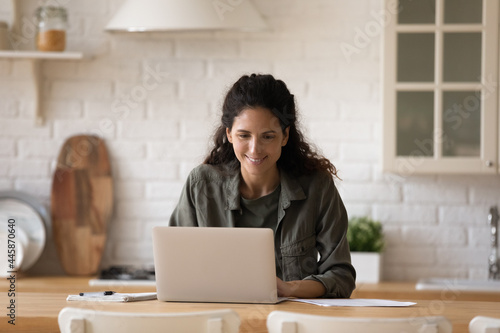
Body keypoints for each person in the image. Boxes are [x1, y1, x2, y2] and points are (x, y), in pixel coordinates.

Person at [169, 74, 356, 298]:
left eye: (267, 136)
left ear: (285, 136)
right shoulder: (201, 186)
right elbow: (176, 269)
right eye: (244, 135)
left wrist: (290, 289)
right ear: (229, 134)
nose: (255, 149)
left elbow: (341, 275)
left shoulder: (317, 187)